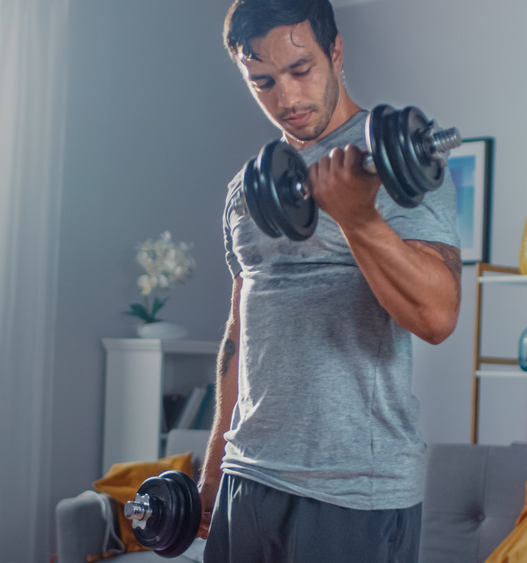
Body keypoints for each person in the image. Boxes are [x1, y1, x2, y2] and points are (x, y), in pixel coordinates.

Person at [198, 1, 462, 561]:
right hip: (249, 480)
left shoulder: (395, 169)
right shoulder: (245, 192)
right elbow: (241, 331)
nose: (286, 99)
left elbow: (437, 317)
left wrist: (357, 216)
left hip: (353, 491)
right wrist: (216, 463)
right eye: (262, 81)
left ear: (336, 51)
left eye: (300, 70)